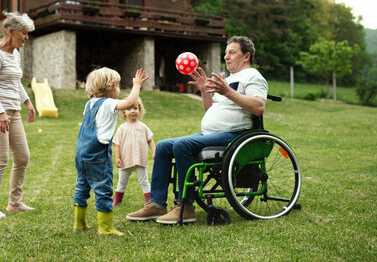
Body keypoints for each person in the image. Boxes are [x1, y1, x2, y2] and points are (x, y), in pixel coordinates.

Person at [126, 36, 268, 224]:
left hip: (235, 135)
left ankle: (186, 206)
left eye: (232, 52)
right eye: (225, 53)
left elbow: (259, 106)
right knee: (163, 146)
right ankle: (157, 203)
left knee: (183, 146)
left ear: (246, 56)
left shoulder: (253, 76)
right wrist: (203, 91)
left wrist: (227, 92)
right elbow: (211, 110)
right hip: (212, 134)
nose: (226, 57)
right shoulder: (228, 79)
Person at [73, 67, 149, 236]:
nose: (119, 90)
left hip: (81, 154)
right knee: (103, 188)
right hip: (97, 154)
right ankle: (105, 228)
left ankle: (79, 224)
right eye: (118, 86)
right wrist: (136, 85)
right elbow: (129, 102)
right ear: (109, 89)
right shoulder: (108, 103)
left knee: (82, 186)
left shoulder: (89, 104)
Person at [0, 12, 37, 218]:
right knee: (0, 159)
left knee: (22, 157)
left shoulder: (15, 53)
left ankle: (14, 202)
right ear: (11, 32)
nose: (26, 37)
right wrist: (0, 112)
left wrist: (28, 102)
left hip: (13, 112)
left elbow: (15, 82)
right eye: (24, 33)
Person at [112, 97, 155, 207]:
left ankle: (150, 201)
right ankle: (117, 200)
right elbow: (117, 144)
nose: (132, 111)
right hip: (126, 160)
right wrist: (118, 158)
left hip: (140, 160)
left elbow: (150, 140)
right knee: (122, 182)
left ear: (139, 110)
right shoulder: (122, 128)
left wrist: (154, 152)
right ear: (124, 112)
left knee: (144, 181)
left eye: (135, 108)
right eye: (129, 108)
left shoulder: (143, 127)